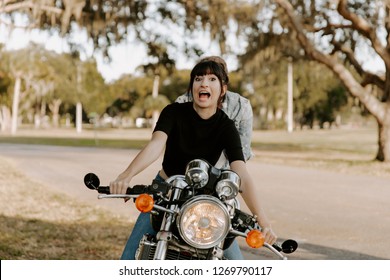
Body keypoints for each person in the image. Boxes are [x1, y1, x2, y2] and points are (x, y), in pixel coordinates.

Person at [110, 60, 277, 260]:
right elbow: (156, 145)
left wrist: (264, 221)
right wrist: (125, 176)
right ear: (192, 87)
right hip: (167, 191)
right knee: (129, 258)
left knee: (235, 262)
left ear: (222, 89)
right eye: (198, 78)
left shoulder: (226, 126)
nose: (204, 83)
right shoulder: (173, 112)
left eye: (212, 79)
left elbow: (241, 173)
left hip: (206, 197)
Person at [176, 56, 254, 167]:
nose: (205, 83)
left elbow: (243, 151)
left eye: (212, 78)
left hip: (225, 174)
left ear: (223, 83)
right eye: (200, 77)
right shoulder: (181, 103)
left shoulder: (242, 105)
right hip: (186, 171)